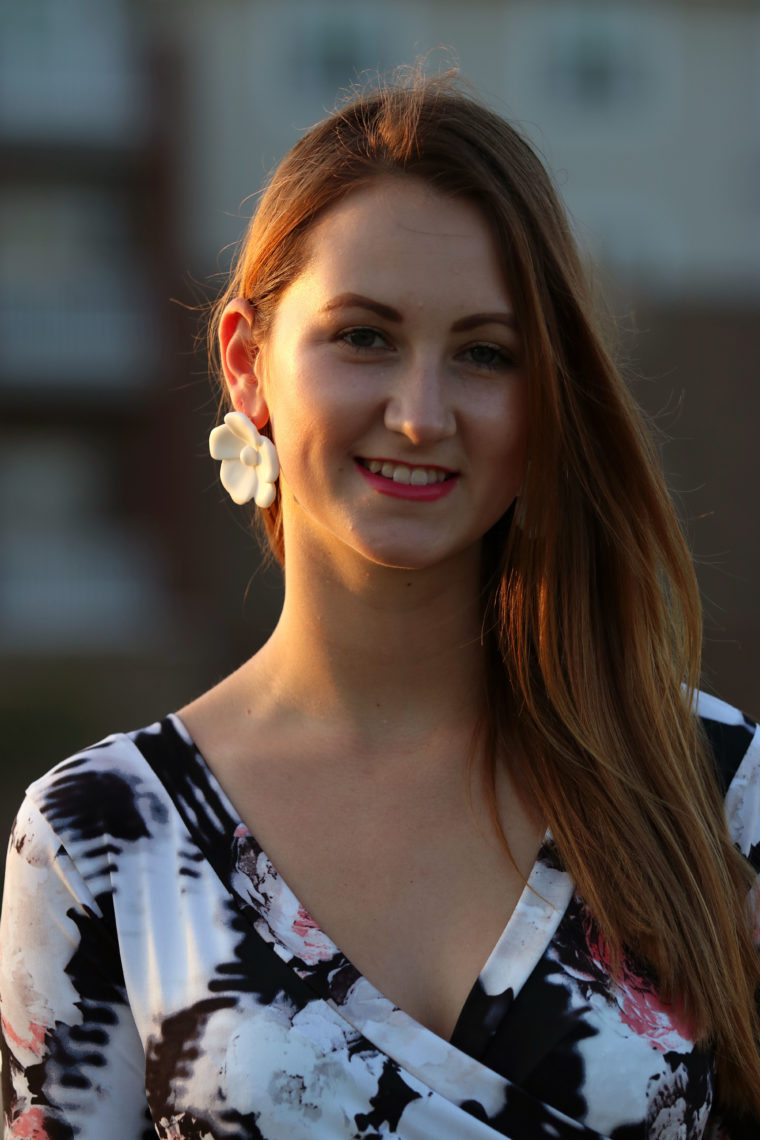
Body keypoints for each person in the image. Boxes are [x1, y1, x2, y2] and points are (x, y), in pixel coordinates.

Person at [1, 70, 759, 1140]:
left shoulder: (722, 797)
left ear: (546, 403)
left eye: (485, 355)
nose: (420, 414)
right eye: (363, 336)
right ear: (247, 364)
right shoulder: (95, 838)